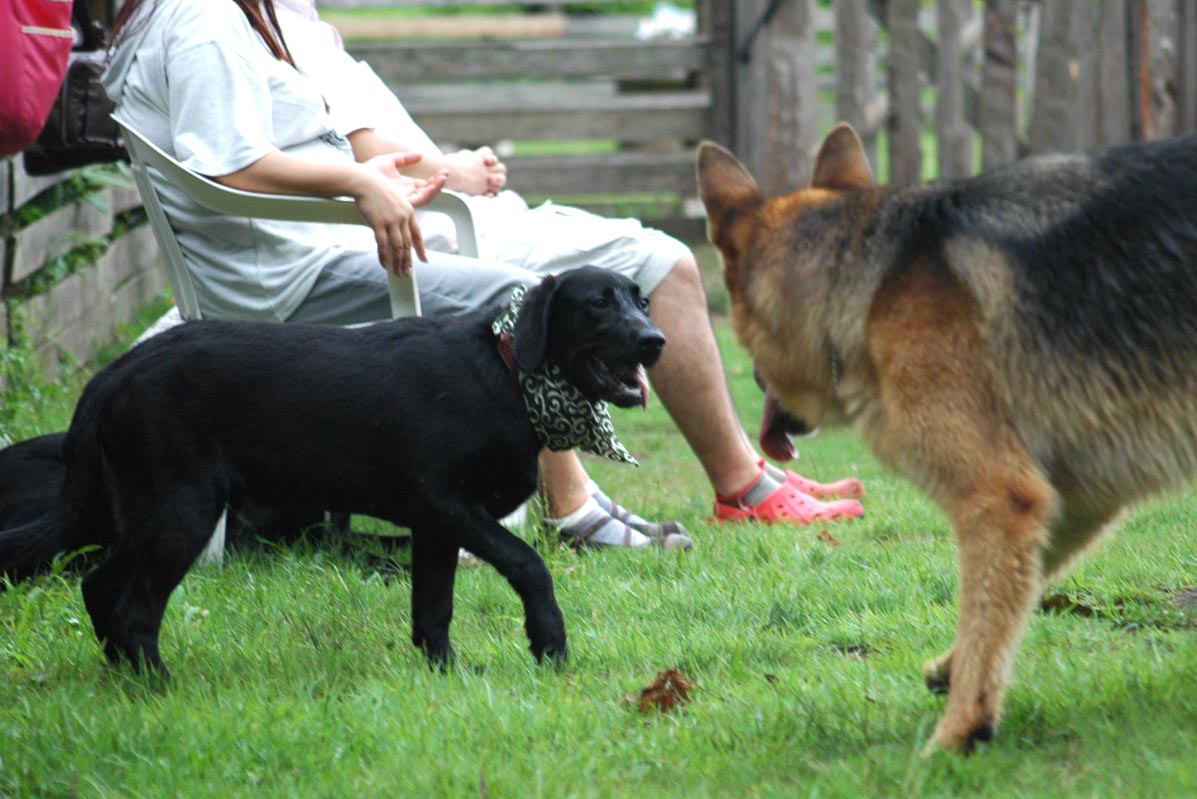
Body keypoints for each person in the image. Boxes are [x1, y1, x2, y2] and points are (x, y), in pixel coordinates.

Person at [102, 0, 864, 552]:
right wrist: (361, 184)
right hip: (288, 277)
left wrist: (387, 179)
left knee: (602, 270)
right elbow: (226, 165)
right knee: (515, 300)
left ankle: (630, 495)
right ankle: (574, 509)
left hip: (316, 251)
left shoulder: (237, 16)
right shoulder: (202, 19)